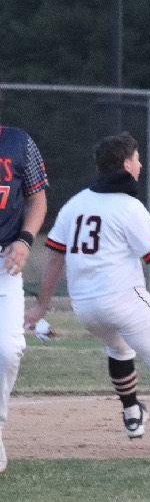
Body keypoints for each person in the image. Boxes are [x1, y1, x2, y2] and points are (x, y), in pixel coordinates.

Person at [24, 131, 150, 456]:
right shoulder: (128, 206)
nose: (140, 163)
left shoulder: (74, 204)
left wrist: (42, 305)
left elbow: (53, 257)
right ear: (125, 164)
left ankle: (132, 413)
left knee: (120, 349)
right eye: (136, 158)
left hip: (86, 308)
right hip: (123, 299)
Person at [0, 124, 49, 474]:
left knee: (7, 348)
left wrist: (26, 240)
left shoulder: (17, 141)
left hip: (5, 262)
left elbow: (38, 196)